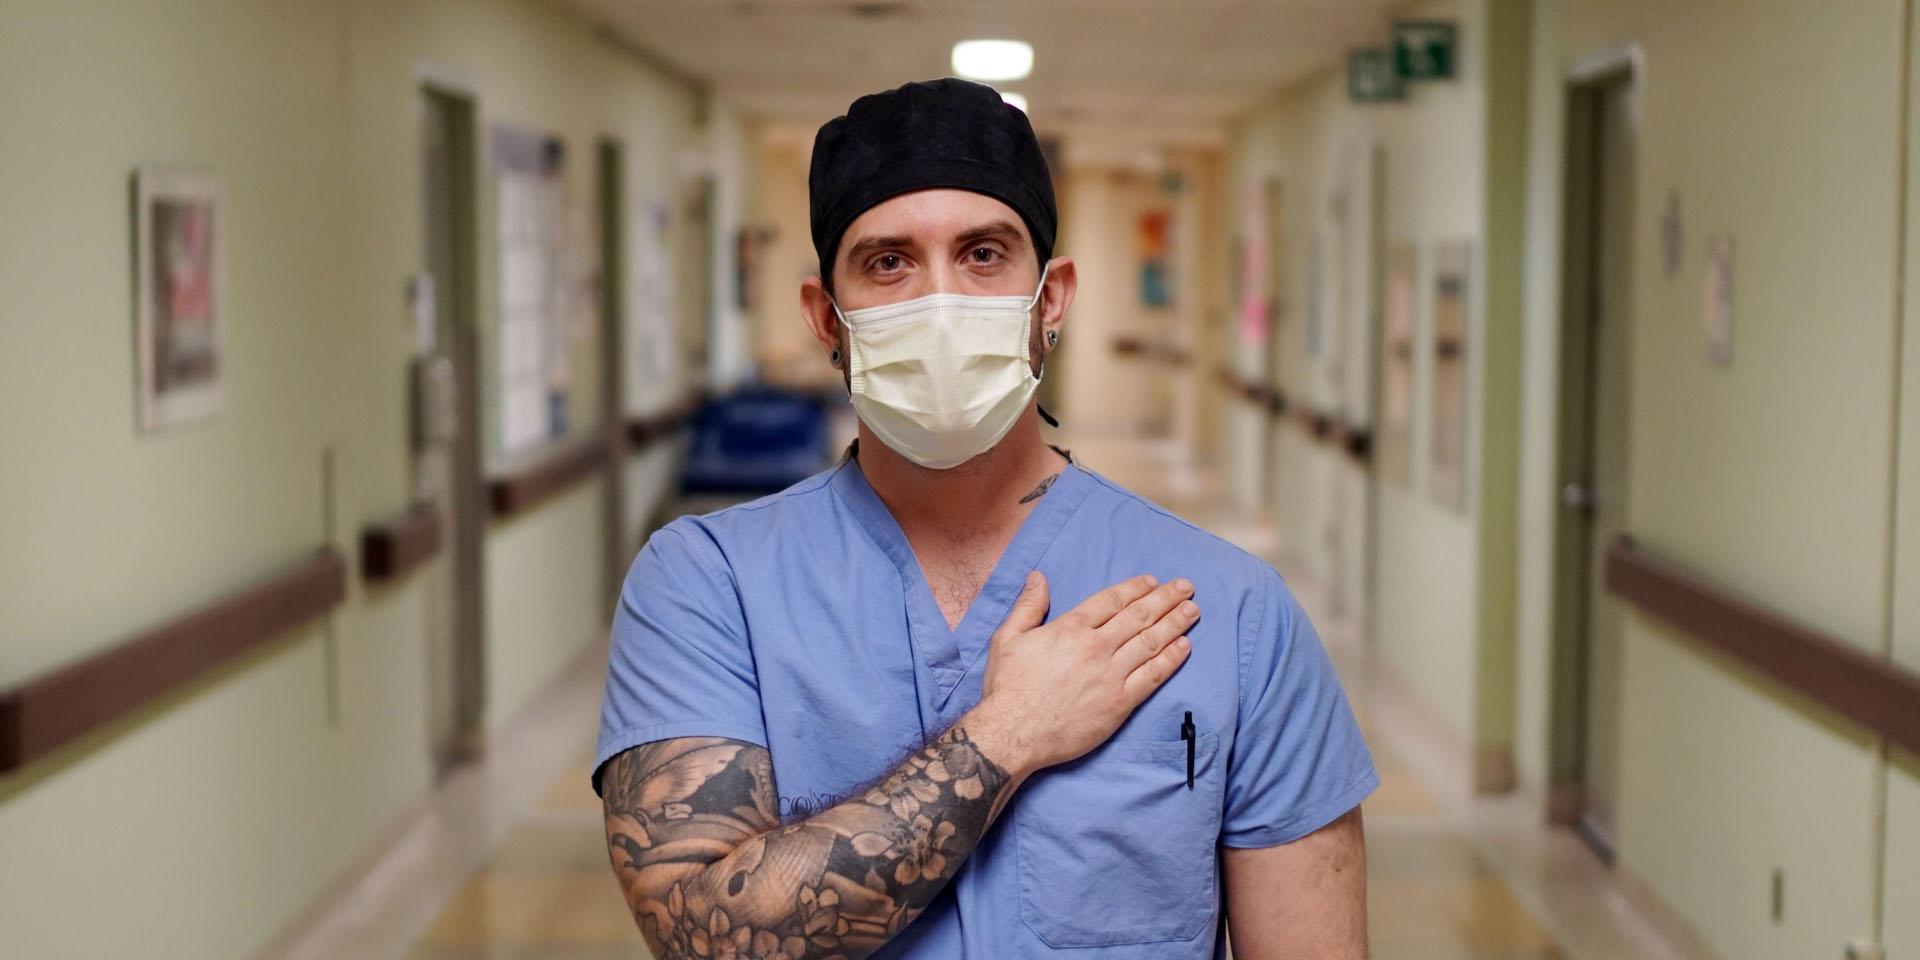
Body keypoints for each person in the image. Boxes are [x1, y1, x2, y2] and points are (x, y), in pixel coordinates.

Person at [594, 77, 1376, 959]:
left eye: (983, 254)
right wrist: (1008, 734)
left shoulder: (1234, 613)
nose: (941, 304)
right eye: (888, 262)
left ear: (1051, 301)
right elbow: (702, 935)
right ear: (826, 318)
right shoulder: (706, 583)